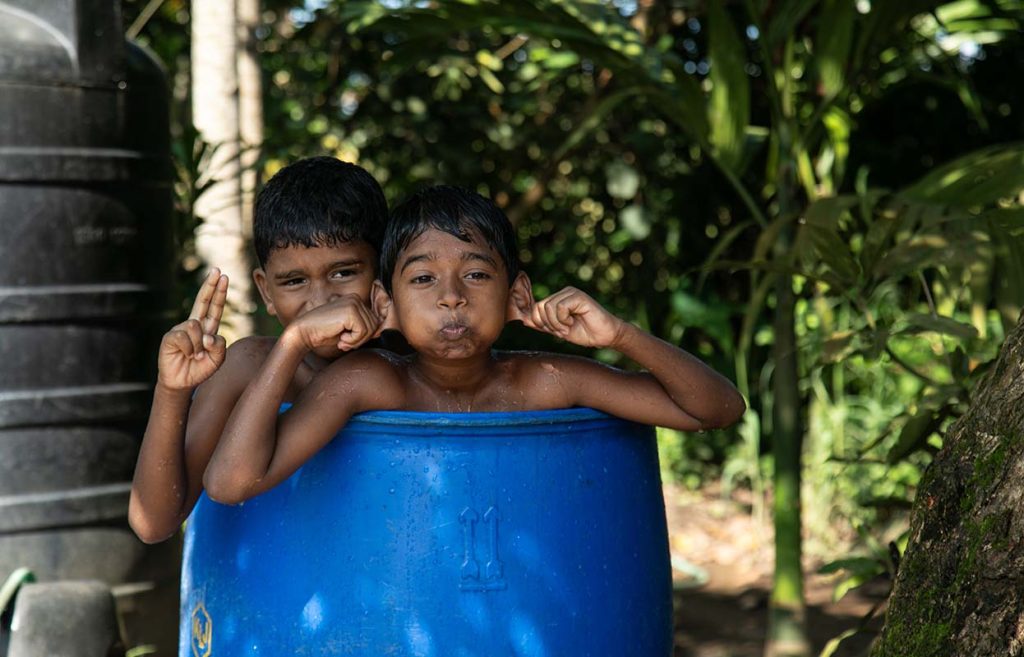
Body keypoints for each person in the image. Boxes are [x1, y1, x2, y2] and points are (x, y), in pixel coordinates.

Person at [204, 185, 746, 504]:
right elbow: (231, 483)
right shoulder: (365, 381)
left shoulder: (548, 381)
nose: (451, 299)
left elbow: (719, 409)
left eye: (477, 276)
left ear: (517, 292)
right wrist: (294, 341)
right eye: (422, 280)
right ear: (382, 302)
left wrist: (620, 335)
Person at [128, 157, 390, 543]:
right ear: (266, 291)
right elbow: (153, 523)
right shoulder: (247, 366)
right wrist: (171, 391)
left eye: (343, 273)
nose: (320, 301)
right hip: (255, 596)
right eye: (294, 281)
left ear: (383, 271)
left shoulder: (412, 365)